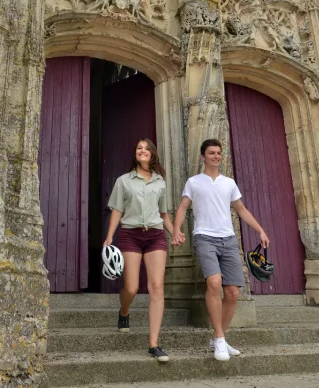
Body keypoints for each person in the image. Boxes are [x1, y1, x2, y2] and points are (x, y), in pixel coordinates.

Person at [172, 138, 270, 361]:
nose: (216, 156)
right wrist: (176, 230)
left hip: (228, 239)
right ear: (203, 157)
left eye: (219, 153)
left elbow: (241, 210)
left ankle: (220, 339)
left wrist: (260, 230)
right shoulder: (194, 182)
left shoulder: (229, 183)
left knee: (233, 292)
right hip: (204, 237)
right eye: (212, 153)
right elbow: (182, 208)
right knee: (214, 283)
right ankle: (218, 337)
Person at [103, 138, 175, 363]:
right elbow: (116, 210)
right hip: (131, 235)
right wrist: (108, 237)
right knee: (132, 288)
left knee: (156, 287)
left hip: (155, 235)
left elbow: (163, 214)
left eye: (146, 148)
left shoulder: (160, 182)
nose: (142, 151)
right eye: (138, 148)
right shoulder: (123, 181)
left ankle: (154, 344)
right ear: (135, 154)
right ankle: (124, 311)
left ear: (152, 154)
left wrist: (175, 232)